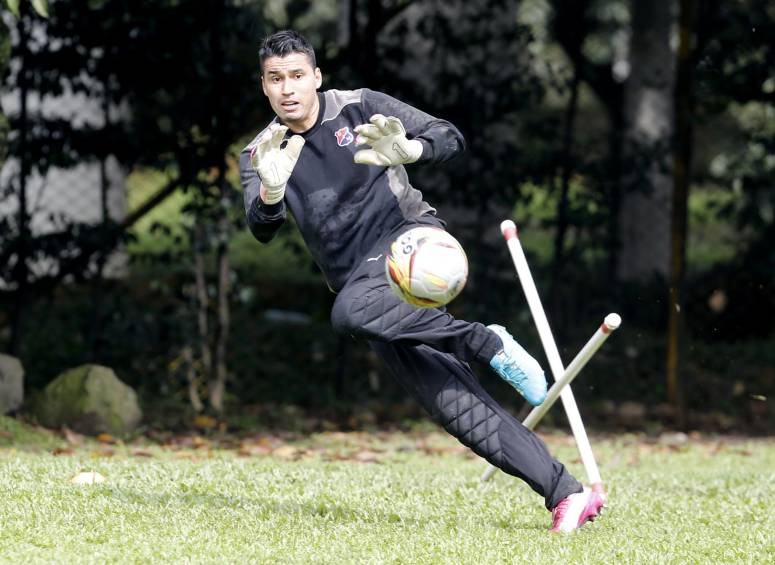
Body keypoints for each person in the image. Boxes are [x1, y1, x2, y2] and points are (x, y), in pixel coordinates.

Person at [240, 30, 603, 533]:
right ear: (264, 86)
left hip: (409, 244)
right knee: (456, 409)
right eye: (276, 79)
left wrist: (411, 149)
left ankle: (482, 339)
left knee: (347, 315)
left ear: (316, 77)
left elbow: (448, 136)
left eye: (297, 75)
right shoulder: (262, 153)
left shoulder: (360, 106)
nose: (288, 88)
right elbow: (260, 227)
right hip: (371, 296)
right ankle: (567, 494)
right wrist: (272, 192)